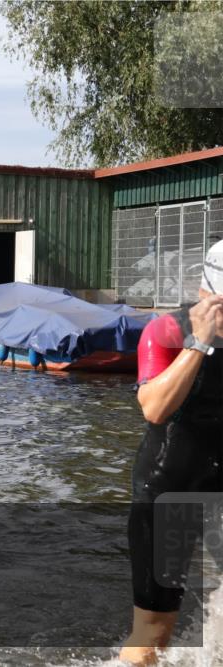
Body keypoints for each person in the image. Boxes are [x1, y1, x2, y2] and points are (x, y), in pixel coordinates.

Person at [119, 240, 223, 665]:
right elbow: (154, 408)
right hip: (168, 489)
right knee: (153, 633)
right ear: (206, 292)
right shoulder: (167, 331)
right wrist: (199, 344)